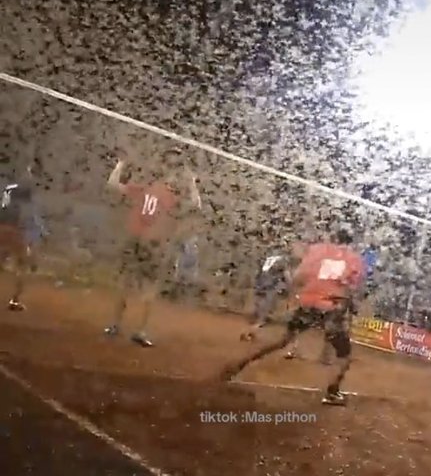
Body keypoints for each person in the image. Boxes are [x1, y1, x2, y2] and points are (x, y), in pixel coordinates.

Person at [220, 229, 365, 405]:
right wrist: (346, 306)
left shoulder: (318, 250)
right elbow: (352, 288)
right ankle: (332, 392)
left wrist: (301, 296)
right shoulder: (353, 258)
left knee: (282, 340)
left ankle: (239, 365)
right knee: (344, 353)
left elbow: (298, 277)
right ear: (350, 242)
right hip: (331, 306)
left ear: (333, 238)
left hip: (308, 302)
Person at [104, 149, 201, 347]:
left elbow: (112, 185)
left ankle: (115, 325)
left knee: (127, 283)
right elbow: (196, 205)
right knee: (150, 287)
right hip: (153, 244)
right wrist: (192, 183)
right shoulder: (172, 197)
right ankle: (141, 331)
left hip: (135, 240)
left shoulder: (144, 189)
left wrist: (120, 164)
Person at [0, 163, 45, 311]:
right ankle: (14, 300)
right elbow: (27, 213)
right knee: (22, 264)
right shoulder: (27, 191)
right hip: (13, 229)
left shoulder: (9, 188)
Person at [240, 245, 292, 341]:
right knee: (262, 308)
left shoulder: (268, 259)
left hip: (265, 285)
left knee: (261, 307)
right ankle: (254, 329)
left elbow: (285, 275)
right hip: (266, 286)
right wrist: (290, 286)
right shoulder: (277, 261)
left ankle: (254, 329)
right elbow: (286, 275)